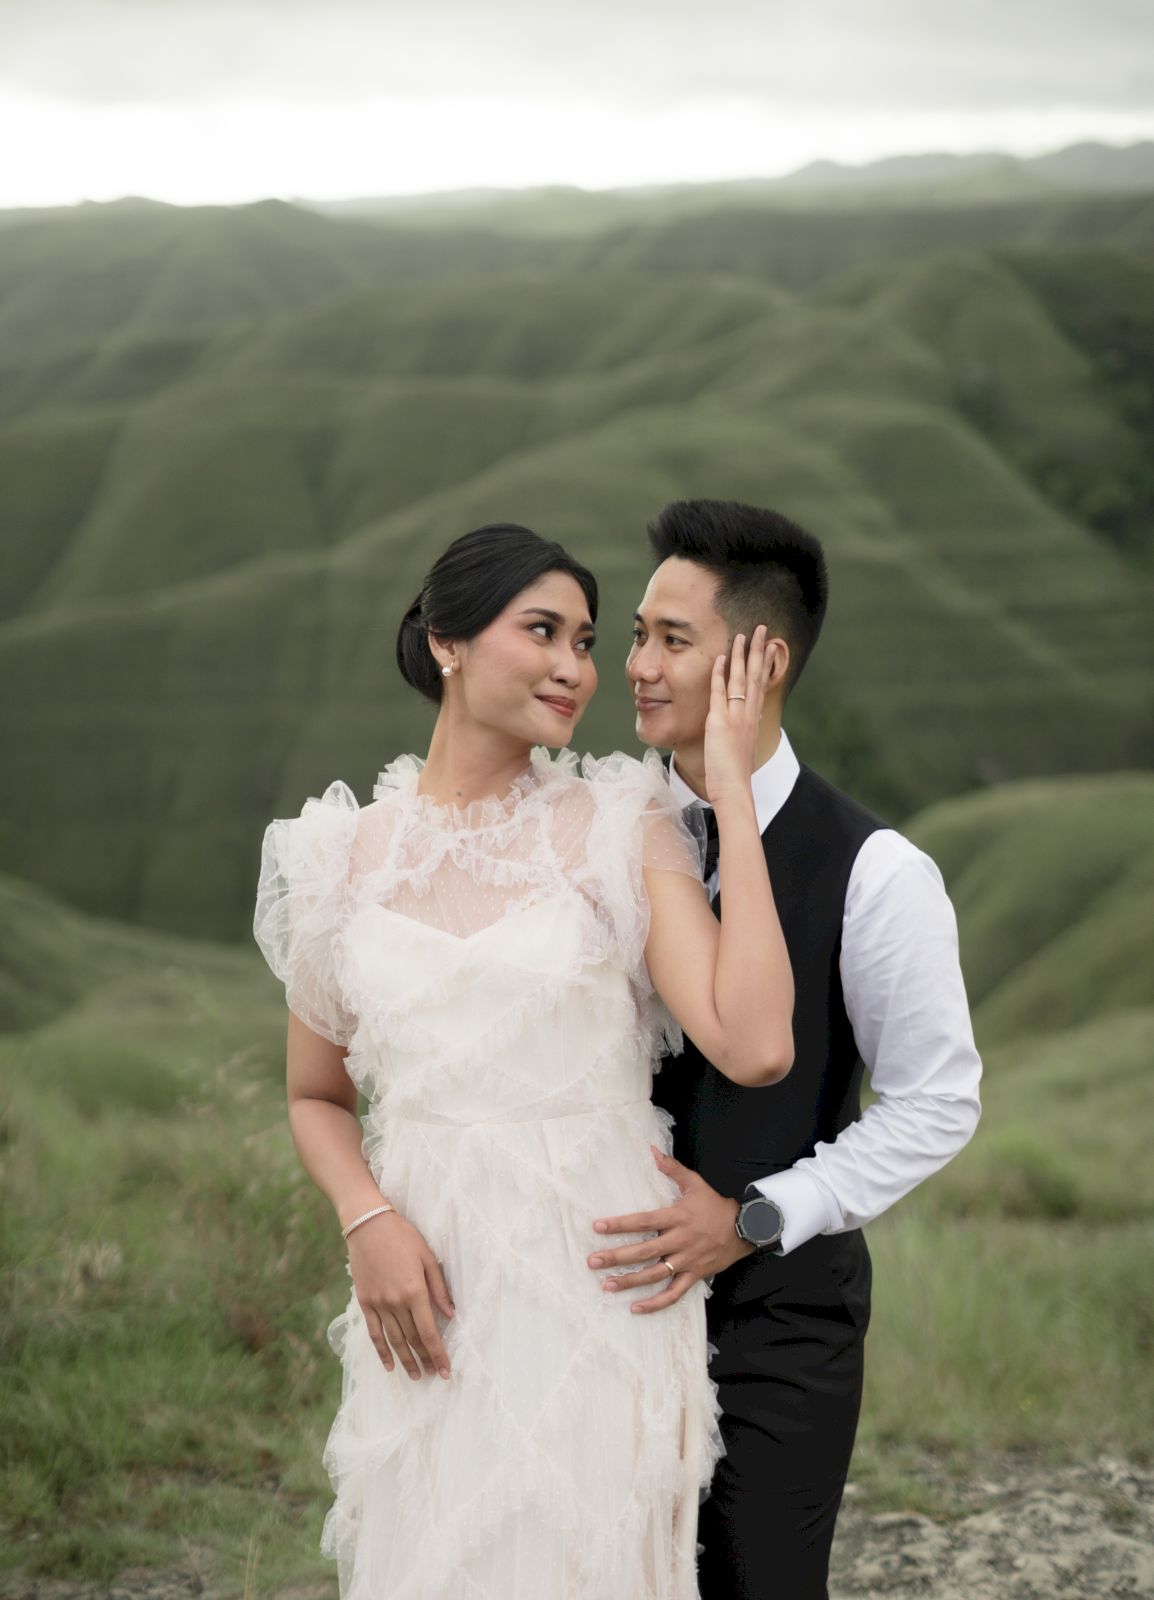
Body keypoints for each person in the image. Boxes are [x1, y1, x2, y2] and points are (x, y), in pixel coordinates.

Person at [252, 522, 795, 1600]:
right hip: (427, 1291)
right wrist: (366, 1220)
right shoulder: (336, 857)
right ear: (446, 642)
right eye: (541, 631)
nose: (575, 668)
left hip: (599, 1289)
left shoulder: (618, 823)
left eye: (585, 642)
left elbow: (756, 1044)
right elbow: (315, 1095)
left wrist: (730, 790)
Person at [585, 500, 983, 1600]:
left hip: (780, 1320)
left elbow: (936, 1101)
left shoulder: (877, 872)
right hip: (598, 1299)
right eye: (636, 635)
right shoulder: (596, 828)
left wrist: (755, 1217)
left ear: (761, 662)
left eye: (672, 640)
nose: (636, 667)